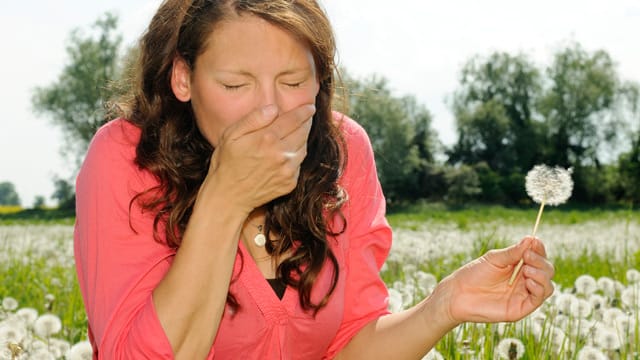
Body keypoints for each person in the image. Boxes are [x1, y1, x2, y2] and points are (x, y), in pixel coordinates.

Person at [73, 0, 555, 359]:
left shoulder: (343, 151)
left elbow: (352, 342)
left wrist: (445, 306)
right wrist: (225, 199)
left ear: (321, 80)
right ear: (184, 78)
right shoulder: (126, 158)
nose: (270, 110)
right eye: (235, 85)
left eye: (292, 82)